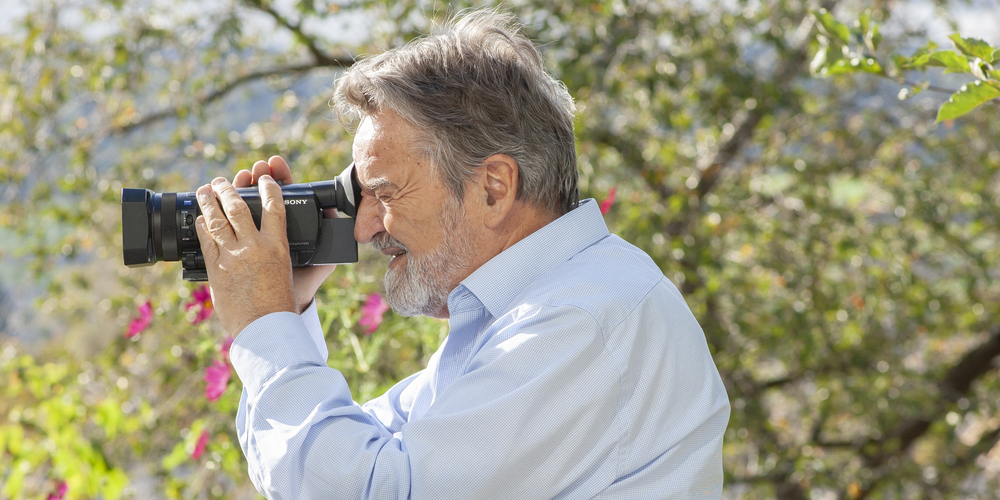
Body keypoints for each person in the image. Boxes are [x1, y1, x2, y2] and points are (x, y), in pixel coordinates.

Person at [194, 9, 730, 499]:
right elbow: (343, 462)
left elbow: (375, 490)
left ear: (493, 187)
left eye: (383, 192)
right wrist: (291, 303)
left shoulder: (578, 320)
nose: (364, 227)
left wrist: (268, 321)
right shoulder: (538, 308)